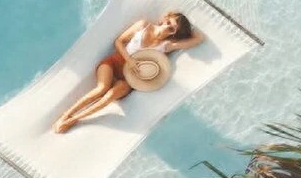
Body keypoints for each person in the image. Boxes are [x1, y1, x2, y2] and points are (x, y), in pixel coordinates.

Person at [53, 11, 204, 134]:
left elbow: (199, 38)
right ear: (164, 18)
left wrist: (185, 30)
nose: (167, 28)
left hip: (131, 79)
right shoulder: (144, 25)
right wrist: (130, 60)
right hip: (116, 61)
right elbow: (119, 42)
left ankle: (74, 120)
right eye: (169, 23)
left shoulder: (167, 45)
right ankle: (66, 115)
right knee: (101, 88)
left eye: (172, 30)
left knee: (109, 96)